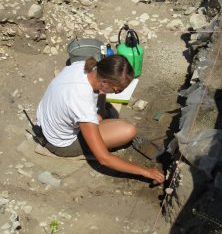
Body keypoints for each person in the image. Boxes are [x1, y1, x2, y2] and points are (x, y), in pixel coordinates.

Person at [36, 54, 165, 183]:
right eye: (117, 90)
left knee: (104, 116)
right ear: (104, 82)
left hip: (45, 123)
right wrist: (145, 172)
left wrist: (101, 98)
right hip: (61, 144)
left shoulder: (82, 65)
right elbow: (104, 159)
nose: (116, 93)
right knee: (128, 130)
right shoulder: (81, 101)